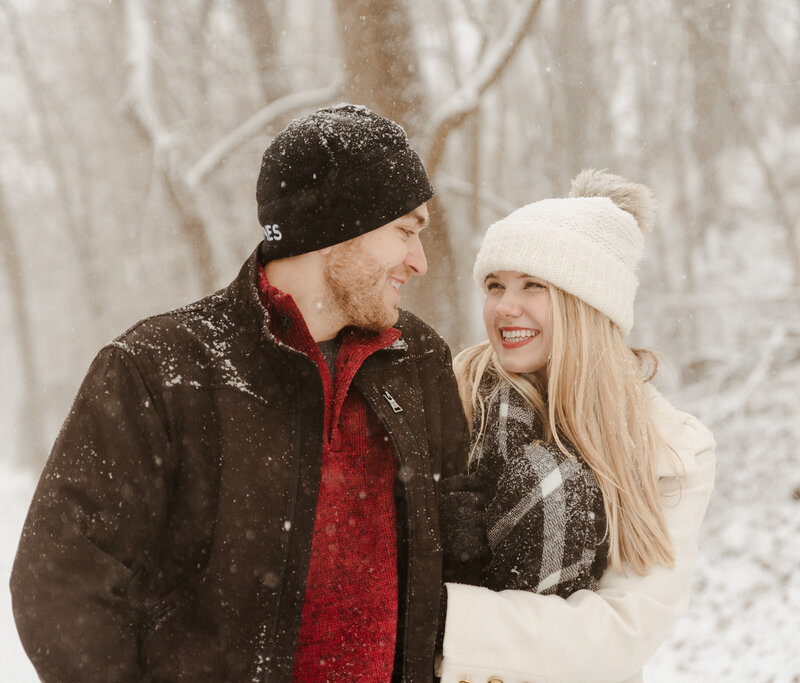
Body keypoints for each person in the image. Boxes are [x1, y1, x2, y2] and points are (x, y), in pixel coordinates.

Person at [10, 104, 468, 683]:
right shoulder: (160, 370)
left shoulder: (416, 358)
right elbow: (59, 582)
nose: (420, 262)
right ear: (335, 229)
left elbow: (459, 542)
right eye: (405, 231)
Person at [438, 169, 716, 683]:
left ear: (586, 304)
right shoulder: (444, 398)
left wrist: (437, 619)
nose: (504, 306)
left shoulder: (670, 448)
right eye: (495, 285)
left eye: (532, 285)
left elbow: (619, 633)